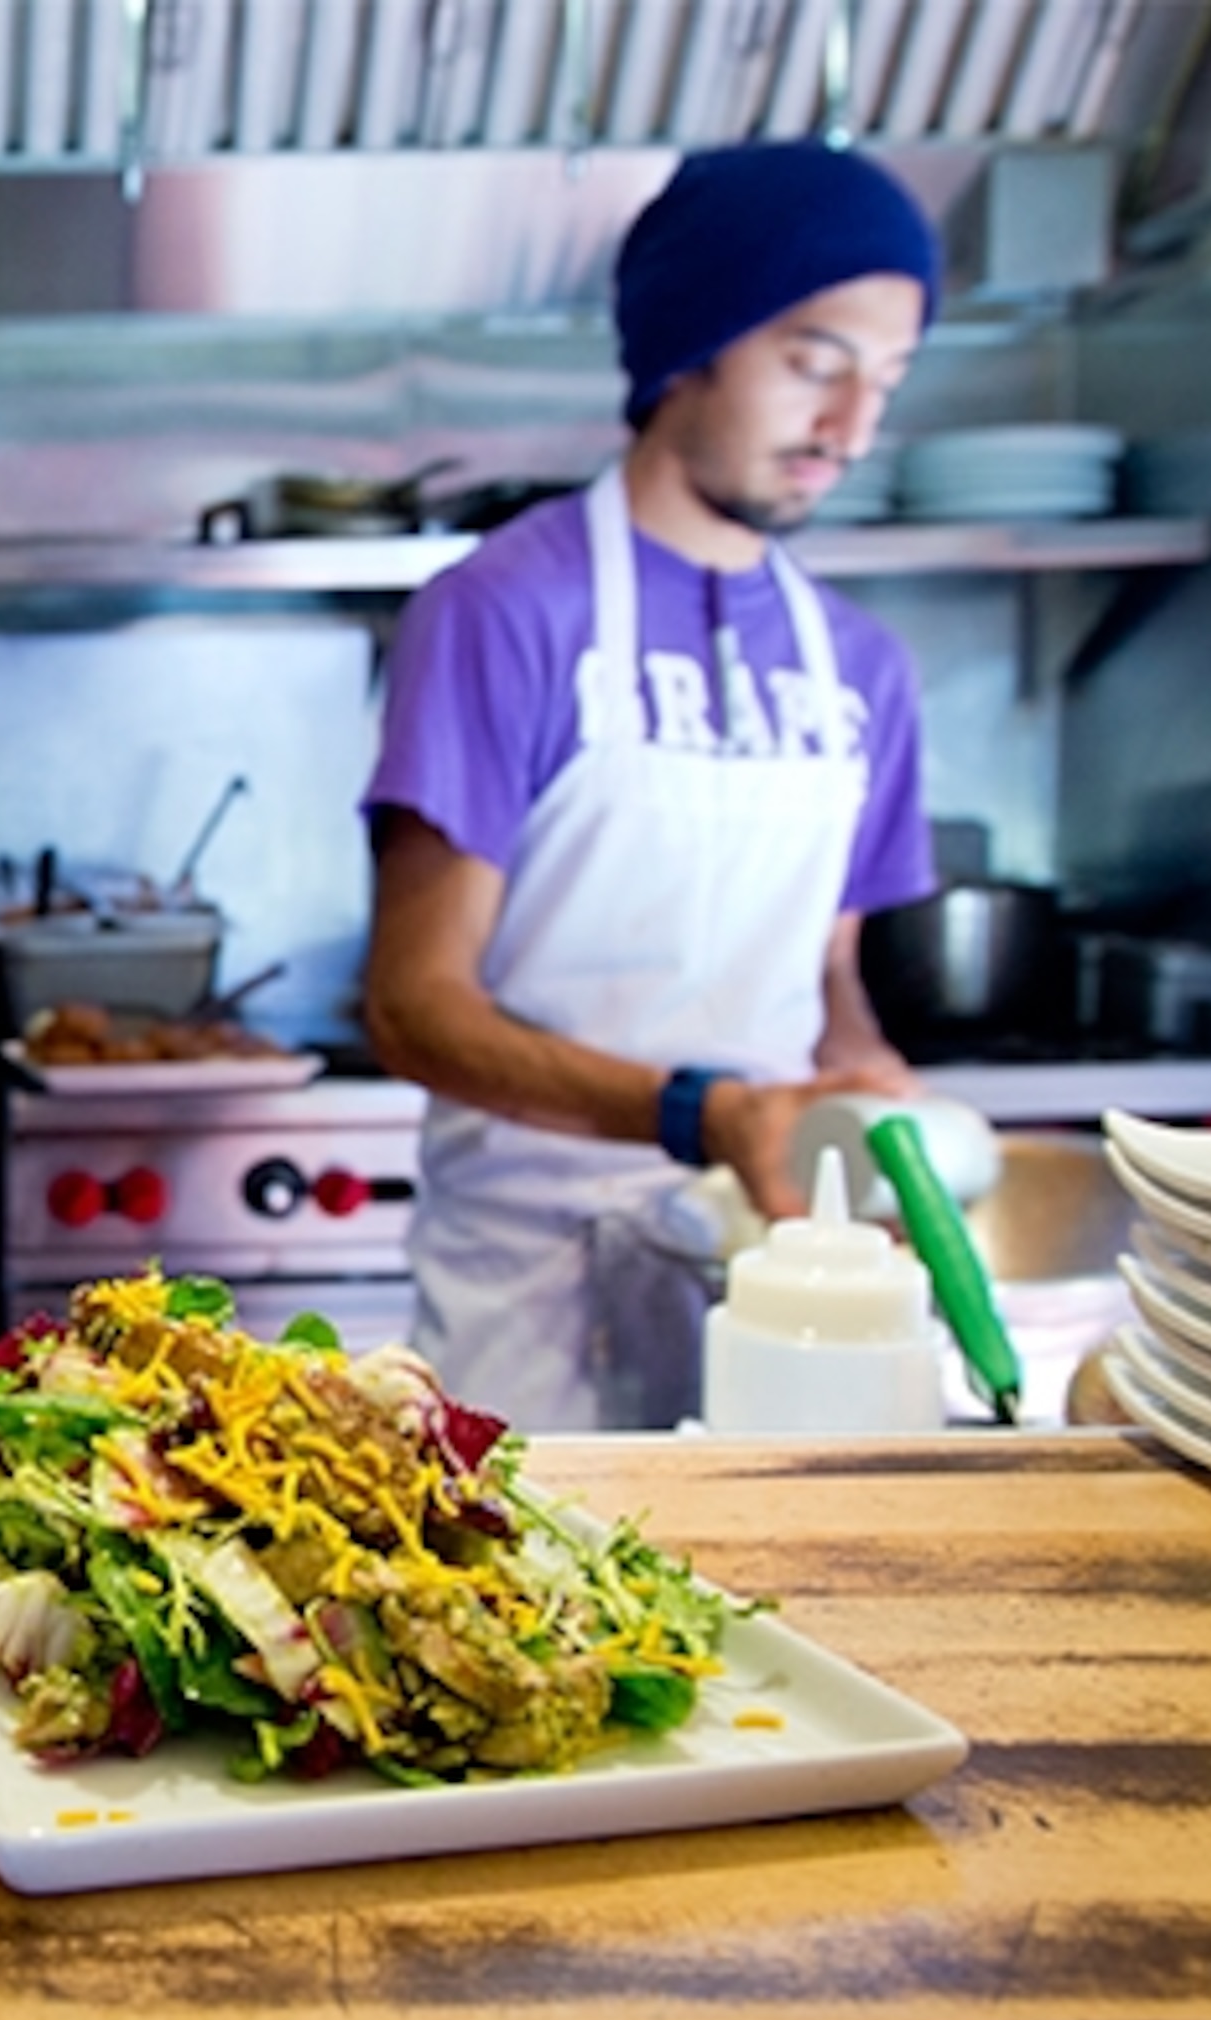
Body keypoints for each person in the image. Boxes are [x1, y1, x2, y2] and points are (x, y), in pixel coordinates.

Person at [358, 142, 942, 1431]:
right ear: (692, 343)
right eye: (814, 362)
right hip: (533, 1286)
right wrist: (702, 1111)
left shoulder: (862, 666)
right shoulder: (502, 614)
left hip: (769, 1269)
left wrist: (859, 1081)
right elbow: (412, 1007)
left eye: (886, 383)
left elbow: (830, 987)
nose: (851, 432)